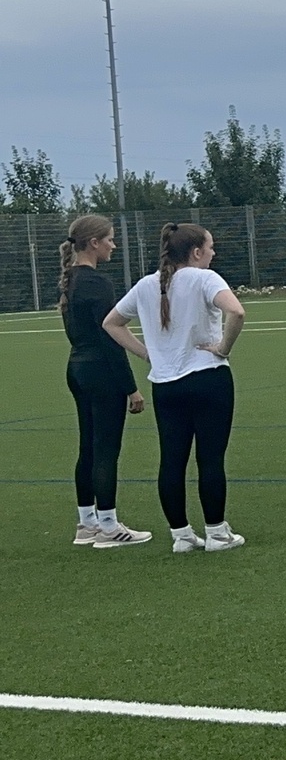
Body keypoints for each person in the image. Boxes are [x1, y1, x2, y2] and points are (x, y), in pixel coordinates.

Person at [103, 223, 246, 553]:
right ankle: (217, 533)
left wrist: (149, 354)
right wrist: (223, 348)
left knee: (171, 460)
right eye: (210, 247)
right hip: (208, 378)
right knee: (210, 458)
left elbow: (111, 323)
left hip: (166, 386)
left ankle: (181, 536)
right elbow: (236, 311)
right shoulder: (205, 278)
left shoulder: (145, 285)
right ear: (196, 252)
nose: (213, 253)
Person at [58, 214, 151, 548]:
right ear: (94, 243)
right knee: (106, 449)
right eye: (110, 239)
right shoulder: (98, 283)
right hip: (100, 371)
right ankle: (109, 526)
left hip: (77, 368)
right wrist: (131, 388)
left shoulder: (71, 279)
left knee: (88, 446)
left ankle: (87, 523)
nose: (114, 245)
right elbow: (110, 339)